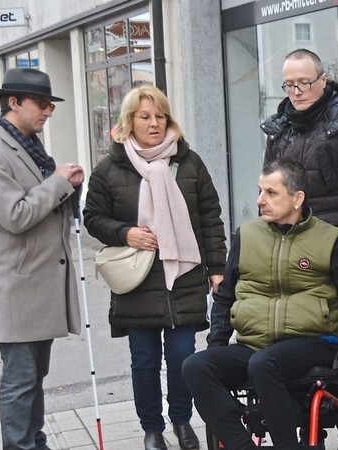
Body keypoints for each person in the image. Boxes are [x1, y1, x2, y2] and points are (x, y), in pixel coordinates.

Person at [183, 158, 338, 450]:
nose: (260, 200)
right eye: (260, 191)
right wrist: (217, 346)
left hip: (311, 342)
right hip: (253, 344)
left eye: (271, 193)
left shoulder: (331, 241)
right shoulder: (246, 236)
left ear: (297, 198)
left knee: (264, 364)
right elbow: (225, 298)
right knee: (195, 366)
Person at [83, 85, 227, 450]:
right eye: (144, 116)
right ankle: (151, 428)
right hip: (138, 280)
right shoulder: (110, 168)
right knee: (144, 362)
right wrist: (125, 232)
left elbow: (210, 216)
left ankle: (181, 422)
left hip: (185, 277)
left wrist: (218, 268)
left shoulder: (189, 162)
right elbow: (93, 218)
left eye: (160, 116)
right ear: (129, 121)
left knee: (183, 359)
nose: (154, 123)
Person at [0, 68, 84, 450]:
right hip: (16, 285)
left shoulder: (30, 146)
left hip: (38, 283)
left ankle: (34, 442)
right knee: (20, 379)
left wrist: (70, 185)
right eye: (41, 104)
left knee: (35, 374)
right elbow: (16, 215)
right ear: (13, 102)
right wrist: (57, 181)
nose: (48, 111)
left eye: (51, 105)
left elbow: (51, 208)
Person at [261, 48, 338, 276]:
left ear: (323, 80)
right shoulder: (279, 131)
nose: (296, 92)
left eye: (304, 83)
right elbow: (268, 194)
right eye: (289, 84)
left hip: (337, 251)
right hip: (290, 252)